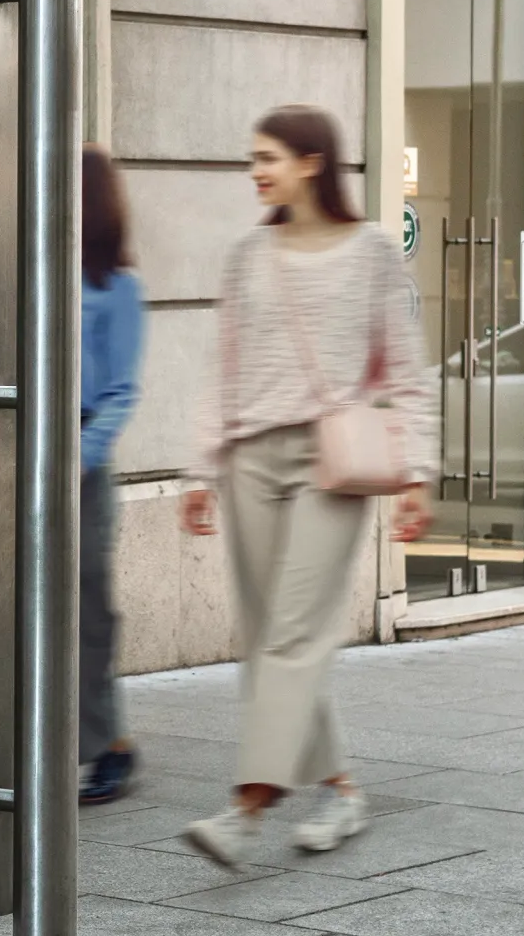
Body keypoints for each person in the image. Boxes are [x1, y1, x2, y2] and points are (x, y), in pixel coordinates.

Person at [179, 105, 435, 866]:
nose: (256, 172)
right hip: (252, 459)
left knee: (293, 631)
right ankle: (344, 790)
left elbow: (407, 370)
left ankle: (246, 807)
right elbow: (221, 368)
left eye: (269, 158)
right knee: (270, 636)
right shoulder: (246, 255)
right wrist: (201, 468)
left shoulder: (372, 253)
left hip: (335, 461)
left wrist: (416, 473)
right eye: (252, 159)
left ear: (312, 162)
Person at [77, 144, 146, 804]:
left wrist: (78, 456)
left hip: (80, 461)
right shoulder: (33, 272)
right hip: (21, 451)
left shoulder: (116, 288)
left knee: (87, 607)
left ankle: (110, 745)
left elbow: (123, 390)